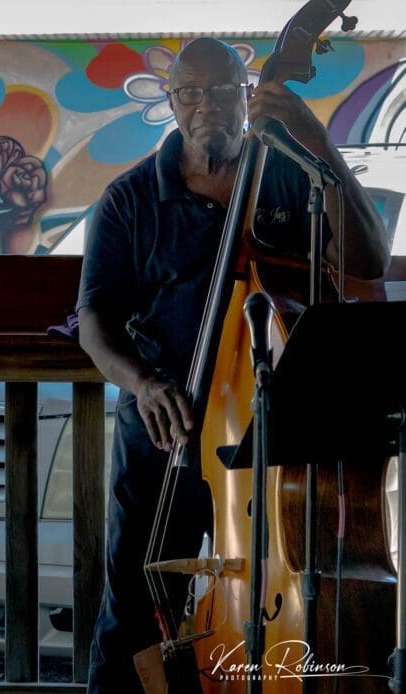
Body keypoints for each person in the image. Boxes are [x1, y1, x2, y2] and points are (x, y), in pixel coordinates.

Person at [75, 38, 388, 693]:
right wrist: (143, 384)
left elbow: (369, 262)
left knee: (263, 598)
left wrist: (314, 140)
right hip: (163, 429)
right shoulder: (130, 198)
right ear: (171, 101)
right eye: (191, 92)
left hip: (266, 444)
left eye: (222, 90)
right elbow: (96, 323)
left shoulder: (287, 177)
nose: (207, 105)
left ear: (247, 94)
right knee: (135, 601)